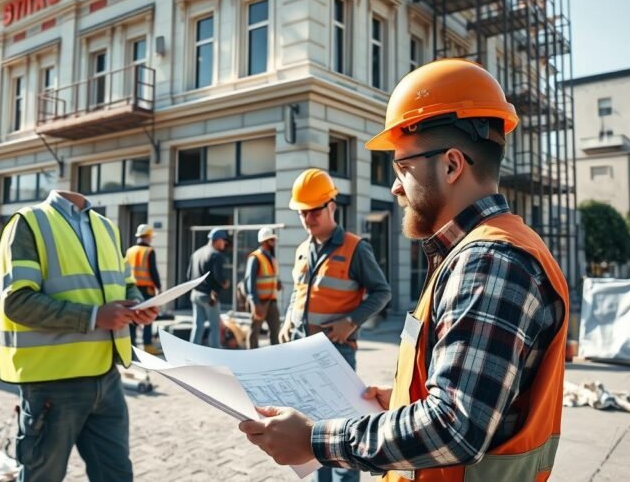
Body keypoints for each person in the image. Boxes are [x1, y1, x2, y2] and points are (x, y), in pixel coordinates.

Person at [239, 58, 570, 482]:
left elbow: (454, 426)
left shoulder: (488, 261)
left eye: (403, 168)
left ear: (451, 165)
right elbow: (467, 398)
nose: (396, 186)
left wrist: (315, 441)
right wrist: (402, 403)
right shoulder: (479, 252)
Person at [0, 190, 159, 482]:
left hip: (107, 378)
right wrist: (94, 316)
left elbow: (126, 282)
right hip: (52, 382)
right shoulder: (29, 222)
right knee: (42, 477)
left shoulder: (106, 227)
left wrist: (137, 304)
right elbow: (17, 302)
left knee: (117, 475)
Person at [278, 167, 391, 482]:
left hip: (337, 353)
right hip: (302, 354)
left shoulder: (355, 248)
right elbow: (299, 291)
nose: (308, 219)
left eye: (314, 211)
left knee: (340, 434)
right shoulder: (303, 250)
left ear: (331, 206)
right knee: (312, 434)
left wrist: (350, 322)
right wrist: (288, 320)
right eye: (302, 213)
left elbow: (382, 292)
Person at [187, 228, 230, 348]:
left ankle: (191, 351)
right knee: (215, 326)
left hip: (195, 294)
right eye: (223, 240)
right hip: (209, 297)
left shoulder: (196, 253)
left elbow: (189, 275)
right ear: (217, 240)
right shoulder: (216, 255)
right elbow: (218, 276)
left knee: (198, 326)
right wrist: (225, 283)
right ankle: (216, 352)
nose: (224, 243)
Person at [124, 223, 162, 354]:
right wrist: (159, 287)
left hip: (131, 288)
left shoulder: (130, 251)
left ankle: (131, 345)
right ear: (148, 236)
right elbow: (153, 271)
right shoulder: (149, 251)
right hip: (146, 289)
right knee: (147, 317)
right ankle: (147, 345)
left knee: (132, 317)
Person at [244, 226, 282, 349]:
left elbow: (271, 275)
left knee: (275, 329)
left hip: (271, 301)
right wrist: (255, 304)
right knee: (254, 331)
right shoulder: (255, 257)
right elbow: (249, 282)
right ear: (264, 241)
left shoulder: (271, 258)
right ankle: (252, 355)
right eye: (272, 240)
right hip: (260, 302)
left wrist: (277, 283)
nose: (274, 242)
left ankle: (274, 354)